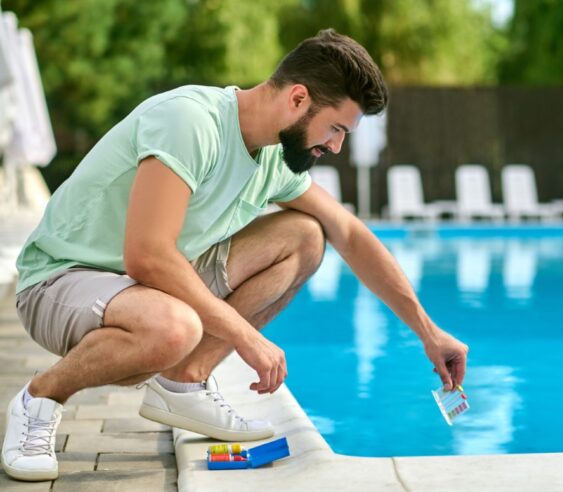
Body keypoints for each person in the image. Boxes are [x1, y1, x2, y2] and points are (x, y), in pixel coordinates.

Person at [2, 29, 469, 482]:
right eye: (336, 129)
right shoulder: (192, 122)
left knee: (307, 236)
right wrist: (245, 336)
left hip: (140, 287)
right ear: (299, 99)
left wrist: (428, 333)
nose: (336, 146)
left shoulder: (272, 157)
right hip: (60, 281)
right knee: (173, 328)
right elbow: (147, 256)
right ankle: (39, 398)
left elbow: (347, 230)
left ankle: (186, 379)